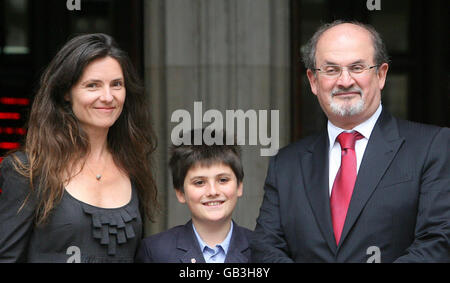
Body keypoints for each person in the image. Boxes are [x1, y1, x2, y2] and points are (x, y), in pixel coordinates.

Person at [251, 20, 450, 262]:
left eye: (357, 67)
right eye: (332, 70)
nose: (345, 81)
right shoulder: (286, 164)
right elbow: (265, 248)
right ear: (313, 81)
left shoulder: (433, 147)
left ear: (381, 75)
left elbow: (438, 242)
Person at [0, 33, 158, 262]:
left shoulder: (132, 165)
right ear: (66, 93)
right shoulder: (28, 171)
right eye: (92, 85)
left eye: (117, 84)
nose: (107, 96)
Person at [136, 129, 252, 263]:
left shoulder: (262, 249)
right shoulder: (155, 252)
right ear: (180, 193)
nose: (213, 191)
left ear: (239, 186)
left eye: (223, 180)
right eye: (199, 182)